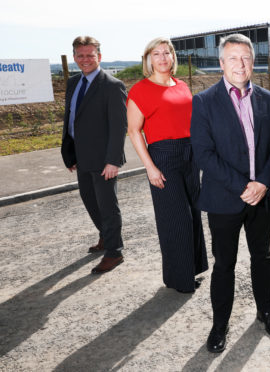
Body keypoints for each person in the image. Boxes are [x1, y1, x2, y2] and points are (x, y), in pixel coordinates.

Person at [190, 33, 270, 353]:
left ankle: (266, 311)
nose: (240, 64)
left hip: (262, 197)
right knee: (225, 264)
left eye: (245, 57)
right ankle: (220, 325)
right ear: (221, 63)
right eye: (233, 58)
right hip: (224, 200)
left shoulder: (268, 100)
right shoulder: (204, 102)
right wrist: (242, 187)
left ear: (253, 61)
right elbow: (204, 153)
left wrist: (263, 183)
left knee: (262, 257)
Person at [126, 37, 208, 293]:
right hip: (163, 155)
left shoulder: (182, 86)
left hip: (190, 154)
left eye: (166, 53)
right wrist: (150, 167)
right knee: (175, 219)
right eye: (156, 54)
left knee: (194, 213)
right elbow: (133, 131)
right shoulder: (139, 90)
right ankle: (178, 279)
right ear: (148, 59)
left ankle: (191, 269)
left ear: (173, 57)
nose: (162, 58)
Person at [61, 36, 127, 274]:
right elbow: (71, 119)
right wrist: (70, 153)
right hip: (81, 155)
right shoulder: (73, 82)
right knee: (90, 201)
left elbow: (119, 126)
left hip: (103, 159)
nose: (85, 59)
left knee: (108, 206)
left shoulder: (112, 85)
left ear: (99, 56)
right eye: (80, 55)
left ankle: (114, 252)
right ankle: (106, 237)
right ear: (74, 57)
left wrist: (113, 160)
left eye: (90, 55)